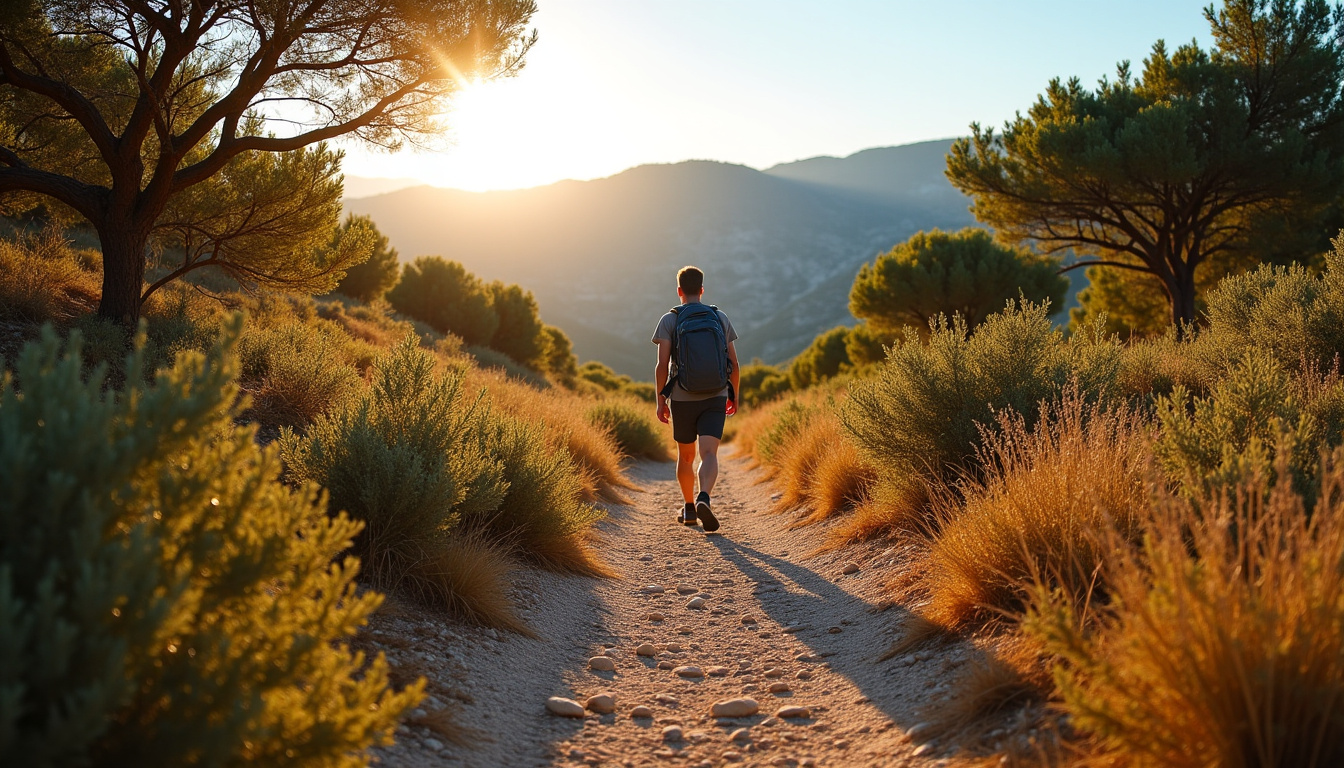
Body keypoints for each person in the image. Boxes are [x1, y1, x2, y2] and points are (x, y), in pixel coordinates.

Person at [652, 265, 740, 532]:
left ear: (679, 290)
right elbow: (734, 364)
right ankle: (705, 498)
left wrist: (660, 401)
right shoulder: (719, 317)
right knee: (709, 452)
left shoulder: (670, 320)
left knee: (686, 456)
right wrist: (733, 394)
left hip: (682, 397)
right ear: (702, 290)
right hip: (715, 394)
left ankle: (689, 508)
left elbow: (662, 365)